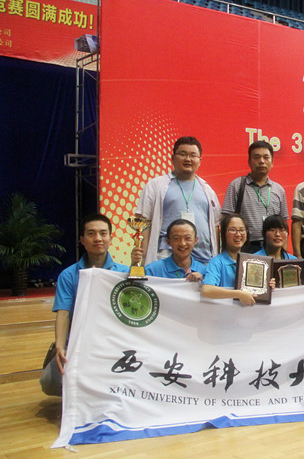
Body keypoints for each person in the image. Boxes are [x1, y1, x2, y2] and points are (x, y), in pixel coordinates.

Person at [42, 214, 130, 396]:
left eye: (103, 233)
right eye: (91, 234)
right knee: (50, 381)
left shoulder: (125, 273)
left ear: (110, 238)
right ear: (82, 240)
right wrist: (60, 346)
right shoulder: (68, 275)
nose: (98, 238)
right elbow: (63, 313)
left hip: (113, 344)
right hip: (79, 344)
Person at [135, 136, 221, 265]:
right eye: (182, 154)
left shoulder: (208, 190)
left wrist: (215, 261)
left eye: (193, 155)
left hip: (203, 260)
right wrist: (143, 260)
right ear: (172, 158)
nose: (188, 159)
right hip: (165, 257)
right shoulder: (155, 185)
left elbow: (215, 226)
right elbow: (144, 223)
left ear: (199, 160)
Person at [221, 140, 289, 253]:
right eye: (257, 157)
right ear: (249, 162)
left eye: (266, 157)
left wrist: (283, 252)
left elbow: (283, 224)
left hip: (272, 247)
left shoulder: (279, 190)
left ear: (272, 162)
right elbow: (225, 219)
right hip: (245, 246)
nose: (261, 161)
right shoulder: (237, 185)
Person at [201, 214, 256, 305]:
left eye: (241, 230)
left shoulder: (253, 262)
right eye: (232, 230)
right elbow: (206, 290)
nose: (238, 234)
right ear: (224, 233)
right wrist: (239, 294)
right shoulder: (217, 262)